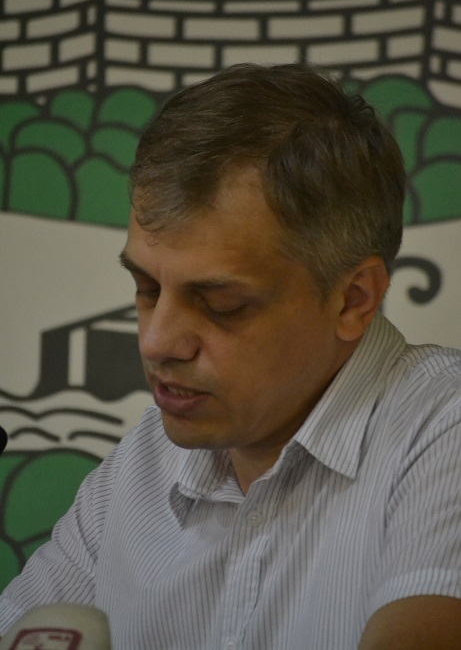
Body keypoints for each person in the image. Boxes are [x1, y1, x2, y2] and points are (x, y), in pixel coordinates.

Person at [1, 63, 461, 649]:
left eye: (221, 304)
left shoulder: (445, 428)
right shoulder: (136, 470)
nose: (157, 341)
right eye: (146, 289)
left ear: (353, 299)